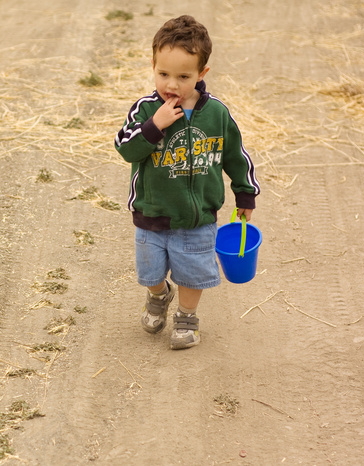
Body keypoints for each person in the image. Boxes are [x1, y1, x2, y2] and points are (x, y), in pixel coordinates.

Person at [114, 15, 260, 349]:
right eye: (163, 74)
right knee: (150, 272)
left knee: (193, 271)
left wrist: (245, 196)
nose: (172, 85)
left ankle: (186, 317)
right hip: (152, 212)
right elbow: (125, 147)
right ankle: (159, 295)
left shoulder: (217, 114)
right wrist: (155, 125)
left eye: (183, 77)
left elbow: (236, 156)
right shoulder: (145, 110)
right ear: (153, 65)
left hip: (198, 218)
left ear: (201, 74)